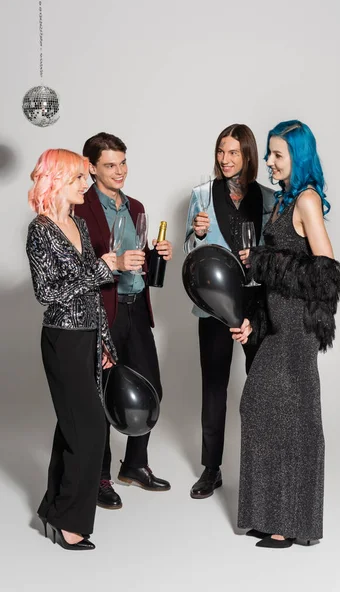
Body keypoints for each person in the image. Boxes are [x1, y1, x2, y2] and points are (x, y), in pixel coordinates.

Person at [235, 120, 340, 549]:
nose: (269, 162)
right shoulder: (282, 201)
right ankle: (277, 516)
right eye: (269, 153)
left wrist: (263, 262)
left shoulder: (307, 200)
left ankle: (287, 522)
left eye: (278, 155)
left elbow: (327, 274)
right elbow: (272, 281)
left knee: (285, 416)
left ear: (298, 158)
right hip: (278, 325)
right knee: (264, 410)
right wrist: (254, 321)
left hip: (298, 330)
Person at [75, 132, 172, 509]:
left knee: (152, 389)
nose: (120, 171)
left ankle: (134, 465)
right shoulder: (80, 207)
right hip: (103, 312)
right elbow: (81, 265)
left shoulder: (136, 206)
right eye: (110, 165)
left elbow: (137, 256)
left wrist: (155, 254)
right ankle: (98, 478)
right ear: (91, 168)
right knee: (102, 394)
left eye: (123, 163)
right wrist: (113, 262)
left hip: (136, 308)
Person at [26, 149, 118, 550]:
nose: (86, 183)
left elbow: (93, 299)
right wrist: (100, 270)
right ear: (58, 180)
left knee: (71, 428)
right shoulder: (41, 229)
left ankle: (53, 510)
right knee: (90, 431)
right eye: (80, 177)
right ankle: (69, 522)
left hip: (88, 336)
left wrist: (105, 341)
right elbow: (47, 294)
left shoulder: (78, 223)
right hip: (62, 339)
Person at [184, 124, 275, 499]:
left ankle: (266, 464)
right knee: (214, 388)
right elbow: (190, 252)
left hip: (257, 305)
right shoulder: (201, 195)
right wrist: (198, 233)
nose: (225, 159)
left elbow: (276, 254)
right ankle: (211, 469)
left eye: (233, 152)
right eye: (221, 151)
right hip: (214, 307)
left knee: (264, 385)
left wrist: (259, 258)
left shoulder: (270, 198)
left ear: (248, 155)